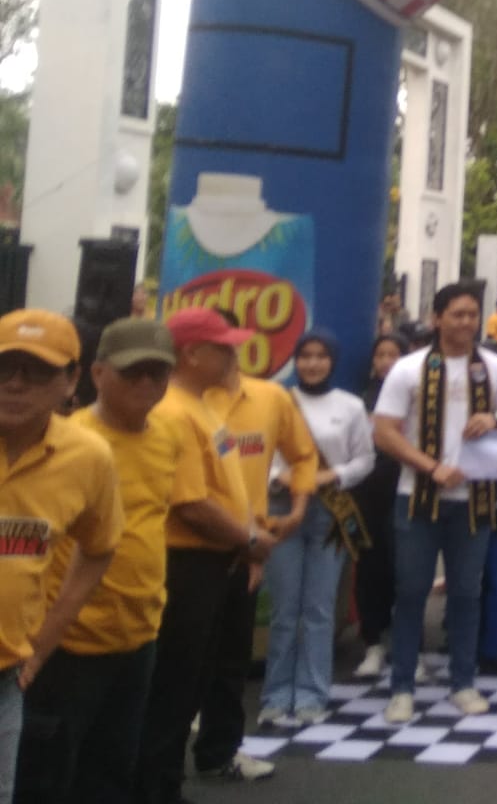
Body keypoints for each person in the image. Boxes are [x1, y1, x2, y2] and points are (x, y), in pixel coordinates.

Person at [16, 319, 196, 804]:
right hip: (65, 644)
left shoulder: (169, 435)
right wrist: (39, 643)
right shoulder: (67, 442)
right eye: (133, 371)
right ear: (97, 373)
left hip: (138, 636)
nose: (146, 383)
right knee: (46, 779)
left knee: (113, 775)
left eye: (158, 373)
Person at [373, 283, 497, 724]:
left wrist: (494, 418)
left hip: (474, 499)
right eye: (457, 314)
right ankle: (402, 686)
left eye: (472, 314)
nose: (466, 322)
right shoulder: (410, 368)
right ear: (437, 318)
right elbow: (384, 432)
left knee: (466, 593)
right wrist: (430, 467)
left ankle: (463, 681)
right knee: (411, 592)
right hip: (417, 497)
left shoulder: (496, 367)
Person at [137, 308, 271, 804]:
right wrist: (250, 540)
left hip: (214, 562)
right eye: (224, 345)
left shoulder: (199, 406)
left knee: (190, 683)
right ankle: (154, 789)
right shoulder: (174, 411)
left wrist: (247, 542)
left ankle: (164, 785)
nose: (235, 353)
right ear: (191, 353)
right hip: (187, 563)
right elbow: (190, 503)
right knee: (174, 685)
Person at [0, 311, 122, 804]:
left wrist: (42, 645)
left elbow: (99, 548)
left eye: (36, 370)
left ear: (72, 380)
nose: (15, 383)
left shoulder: (87, 457)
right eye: (5, 367)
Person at [190, 324, 318, 786]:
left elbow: (304, 455)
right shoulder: (181, 401)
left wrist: (297, 510)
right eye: (218, 345)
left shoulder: (270, 397)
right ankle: (155, 768)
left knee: (231, 659)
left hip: (247, 549)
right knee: (180, 660)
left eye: (232, 344)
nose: (230, 352)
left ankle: (219, 753)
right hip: (187, 545)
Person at [259, 332, 374, 727]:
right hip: (281, 509)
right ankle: (276, 694)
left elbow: (364, 460)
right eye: (305, 356)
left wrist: (332, 474)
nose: (312, 363)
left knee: (320, 609)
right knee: (285, 609)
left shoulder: (350, 406)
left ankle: (312, 694)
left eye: (321, 356)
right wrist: (277, 477)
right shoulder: (276, 401)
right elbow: (258, 453)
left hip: (330, 511)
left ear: (332, 361)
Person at [353, 334, 408, 679]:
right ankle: (372, 644)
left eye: (393, 354)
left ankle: (408, 647)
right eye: (380, 354)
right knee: (370, 568)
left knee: (406, 570)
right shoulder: (359, 399)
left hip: (405, 491)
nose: (386, 361)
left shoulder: (416, 396)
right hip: (367, 494)